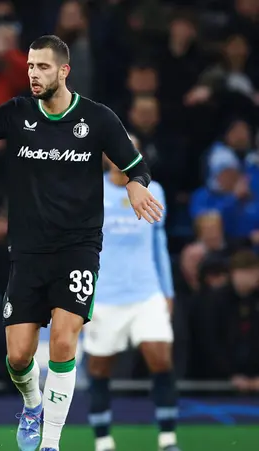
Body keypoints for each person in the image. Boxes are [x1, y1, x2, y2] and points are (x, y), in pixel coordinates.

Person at [0, 36, 164, 451]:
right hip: (27, 253)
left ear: (64, 71)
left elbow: (138, 165)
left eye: (43, 67)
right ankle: (32, 405)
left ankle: (50, 442)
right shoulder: (17, 113)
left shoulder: (97, 118)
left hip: (78, 249)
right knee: (18, 357)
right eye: (31, 66)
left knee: (64, 341)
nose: (34, 73)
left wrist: (136, 183)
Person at [85, 136, 180, 451]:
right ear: (106, 156)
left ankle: (167, 439)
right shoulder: (91, 190)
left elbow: (158, 244)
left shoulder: (155, 190)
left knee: (160, 358)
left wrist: (167, 291)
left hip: (146, 292)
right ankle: (103, 440)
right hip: (103, 296)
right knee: (99, 368)